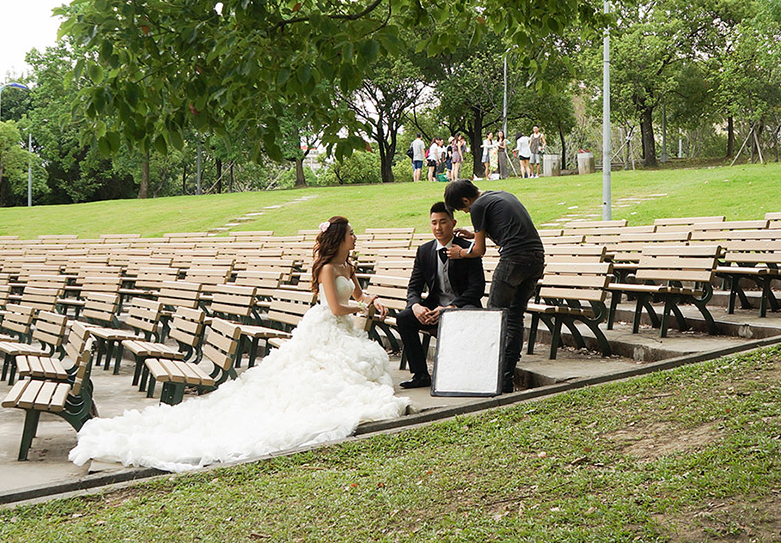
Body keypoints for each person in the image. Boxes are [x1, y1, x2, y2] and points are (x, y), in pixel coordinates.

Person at [69, 217, 409, 471]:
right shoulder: (325, 270)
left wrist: (373, 302)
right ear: (339, 238)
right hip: (328, 326)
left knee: (355, 365)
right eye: (351, 234)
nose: (355, 237)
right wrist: (361, 306)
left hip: (346, 329)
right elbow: (336, 307)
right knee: (316, 378)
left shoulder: (347, 267)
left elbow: (360, 295)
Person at [444, 180, 544, 394]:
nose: (465, 211)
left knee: (494, 315)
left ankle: (490, 376)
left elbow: (479, 251)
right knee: (515, 316)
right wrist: (474, 234)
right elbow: (504, 230)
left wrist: (459, 253)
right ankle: (506, 377)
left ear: (465, 200)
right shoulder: (501, 194)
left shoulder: (478, 206)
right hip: (536, 259)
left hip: (514, 260)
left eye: (463, 208)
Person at [396, 202, 485, 388]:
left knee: (460, 319)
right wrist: (416, 306)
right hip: (434, 309)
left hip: (463, 308)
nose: (438, 227)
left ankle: (462, 374)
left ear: (453, 223)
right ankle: (420, 374)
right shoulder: (424, 251)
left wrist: (452, 307)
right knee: (404, 318)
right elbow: (413, 287)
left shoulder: (469, 249)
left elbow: (477, 289)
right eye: (434, 223)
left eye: (443, 222)